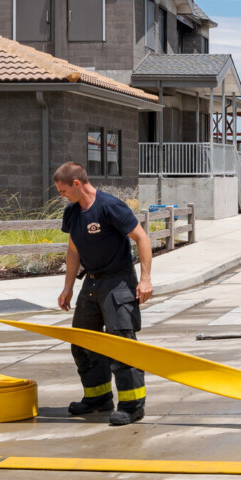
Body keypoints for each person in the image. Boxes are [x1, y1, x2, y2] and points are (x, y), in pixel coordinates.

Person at [55, 162, 154, 425]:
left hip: (119, 281)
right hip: (92, 283)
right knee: (83, 343)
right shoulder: (73, 213)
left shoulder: (110, 206)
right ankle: (98, 398)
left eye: (63, 190)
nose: (61, 195)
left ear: (77, 183)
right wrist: (67, 288)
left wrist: (145, 279)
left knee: (121, 344)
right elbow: (73, 250)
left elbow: (142, 238)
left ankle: (133, 405)